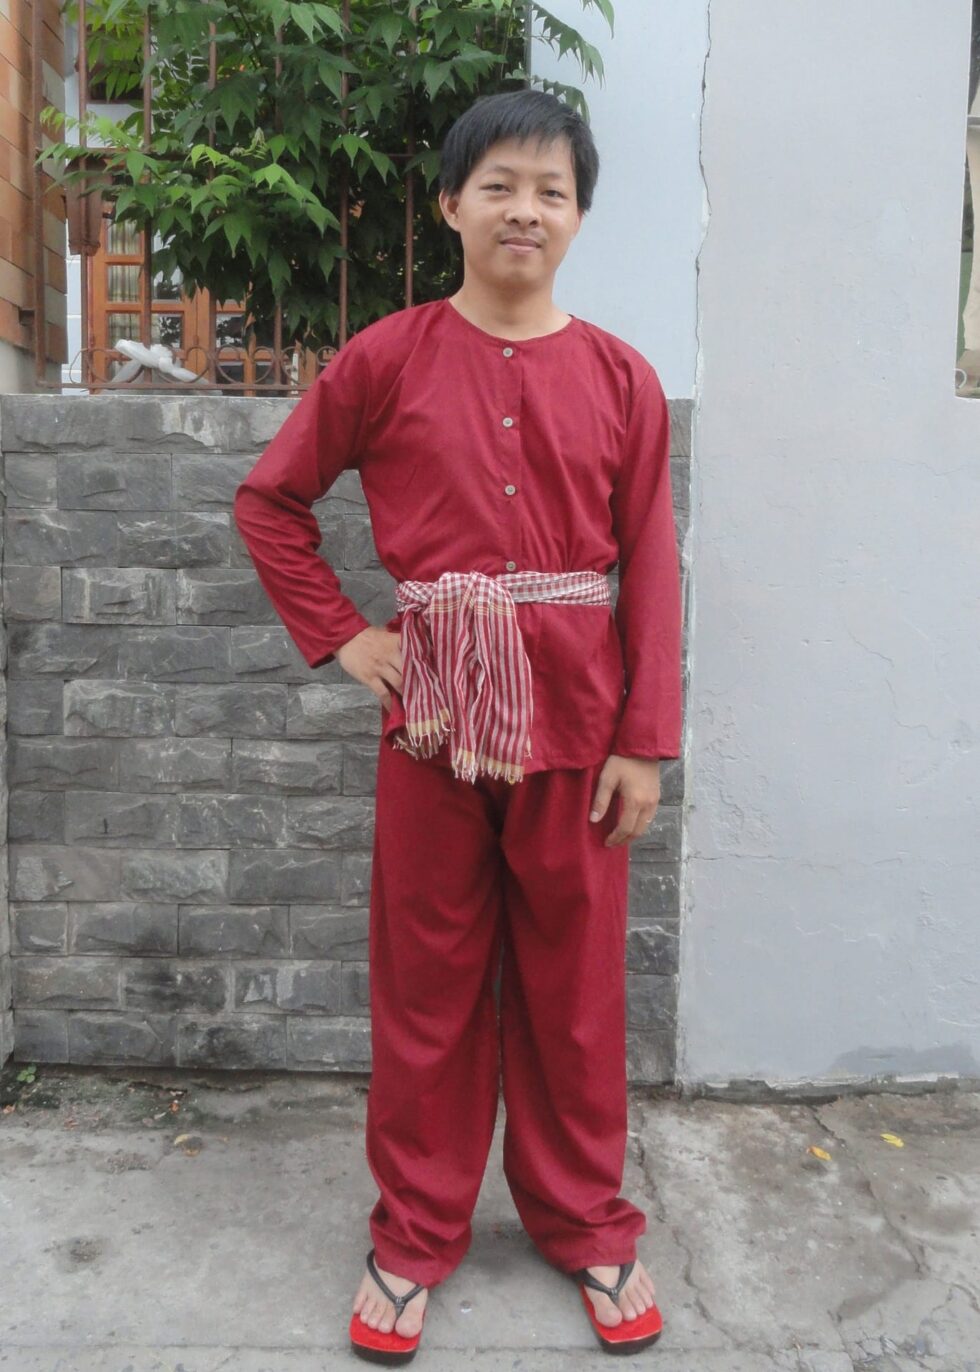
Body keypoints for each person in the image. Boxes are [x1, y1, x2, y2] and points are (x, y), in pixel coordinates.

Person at [233, 88, 681, 1363]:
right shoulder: (382, 359)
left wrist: (643, 739)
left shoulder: (621, 378)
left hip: (578, 730)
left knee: (574, 996)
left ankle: (585, 1221)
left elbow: (649, 562)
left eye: (549, 190)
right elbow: (270, 502)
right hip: (433, 724)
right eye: (498, 186)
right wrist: (345, 635)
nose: (522, 210)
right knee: (425, 988)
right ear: (449, 205)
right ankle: (413, 1232)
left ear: (577, 215)